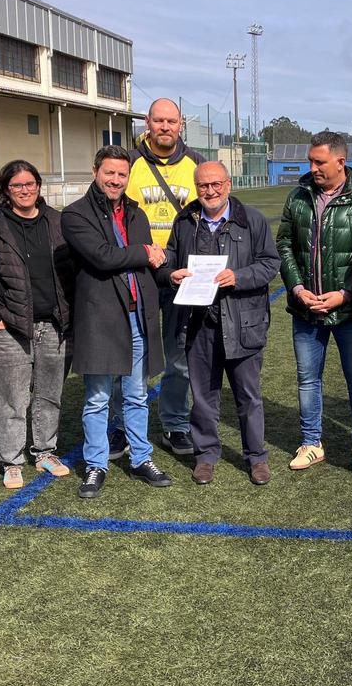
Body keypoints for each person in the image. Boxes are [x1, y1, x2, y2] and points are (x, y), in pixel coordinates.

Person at [160, 161, 280, 485]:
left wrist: (238, 277)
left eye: (216, 184)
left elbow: (271, 263)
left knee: (248, 396)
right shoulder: (185, 220)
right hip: (199, 325)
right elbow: (170, 258)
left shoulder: (251, 219)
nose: (210, 191)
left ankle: (256, 457)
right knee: (203, 396)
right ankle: (206, 456)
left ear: (228, 184)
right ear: (196, 188)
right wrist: (170, 273)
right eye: (203, 186)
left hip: (243, 323)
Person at [62, 145, 170, 496]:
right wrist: (143, 253)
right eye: (109, 173)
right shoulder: (75, 215)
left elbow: (151, 262)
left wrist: (168, 268)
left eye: (122, 174)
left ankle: (141, 457)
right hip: (101, 319)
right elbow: (103, 257)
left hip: (138, 317)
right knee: (97, 398)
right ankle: (96, 465)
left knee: (137, 395)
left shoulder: (136, 214)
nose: (115, 180)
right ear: (95, 171)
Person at [277, 131, 352, 475]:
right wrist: (296, 287)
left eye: (319, 162)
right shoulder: (299, 197)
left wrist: (346, 293)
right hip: (305, 310)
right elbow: (284, 245)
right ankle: (311, 443)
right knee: (308, 379)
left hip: (351, 313)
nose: (312, 168)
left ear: (341, 161)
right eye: (310, 160)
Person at [120, 98, 206, 458]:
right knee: (126, 354)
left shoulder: (197, 164)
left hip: (180, 275)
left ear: (181, 124)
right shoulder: (129, 163)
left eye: (172, 121)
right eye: (159, 121)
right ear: (147, 122)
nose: (166, 127)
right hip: (135, 272)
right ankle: (121, 428)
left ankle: (174, 424)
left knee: (179, 356)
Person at [0, 160, 77, 489]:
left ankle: (45, 452)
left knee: (49, 394)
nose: (24, 190)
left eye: (30, 184)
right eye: (16, 186)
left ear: (39, 186)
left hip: (55, 324)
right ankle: (12, 460)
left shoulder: (56, 220)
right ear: (6, 190)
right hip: (10, 325)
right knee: (11, 396)